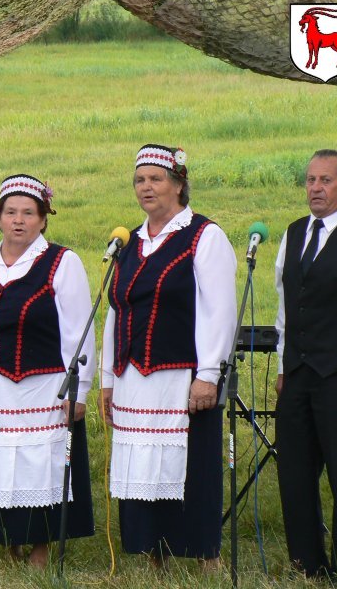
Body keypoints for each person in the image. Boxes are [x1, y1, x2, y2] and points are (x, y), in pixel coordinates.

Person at [99, 145, 236, 568]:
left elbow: (220, 310)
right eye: (140, 180)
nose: (146, 187)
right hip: (132, 376)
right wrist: (107, 377)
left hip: (181, 374)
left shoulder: (203, 235)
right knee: (142, 466)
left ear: (179, 184)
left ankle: (203, 557)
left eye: (156, 178)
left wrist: (208, 373)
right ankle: (152, 553)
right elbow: (114, 309)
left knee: (191, 466)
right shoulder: (128, 242)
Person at [0, 174, 95, 568]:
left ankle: (40, 548)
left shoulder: (62, 262)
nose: (19, 221)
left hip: (43, 386)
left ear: (43, 220)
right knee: (1, 467)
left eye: (29, 213)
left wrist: (79, 392)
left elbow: (80, 334)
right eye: (11, 212)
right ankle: (9, 540)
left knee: (38, 468)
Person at [274, 149, 337, 581]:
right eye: (311, 180)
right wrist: (282, 365)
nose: (315, 188)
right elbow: (285, 304)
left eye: (326, 181)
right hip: (298, 373)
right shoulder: (294, 232)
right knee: (294, 473)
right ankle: (307, 563)